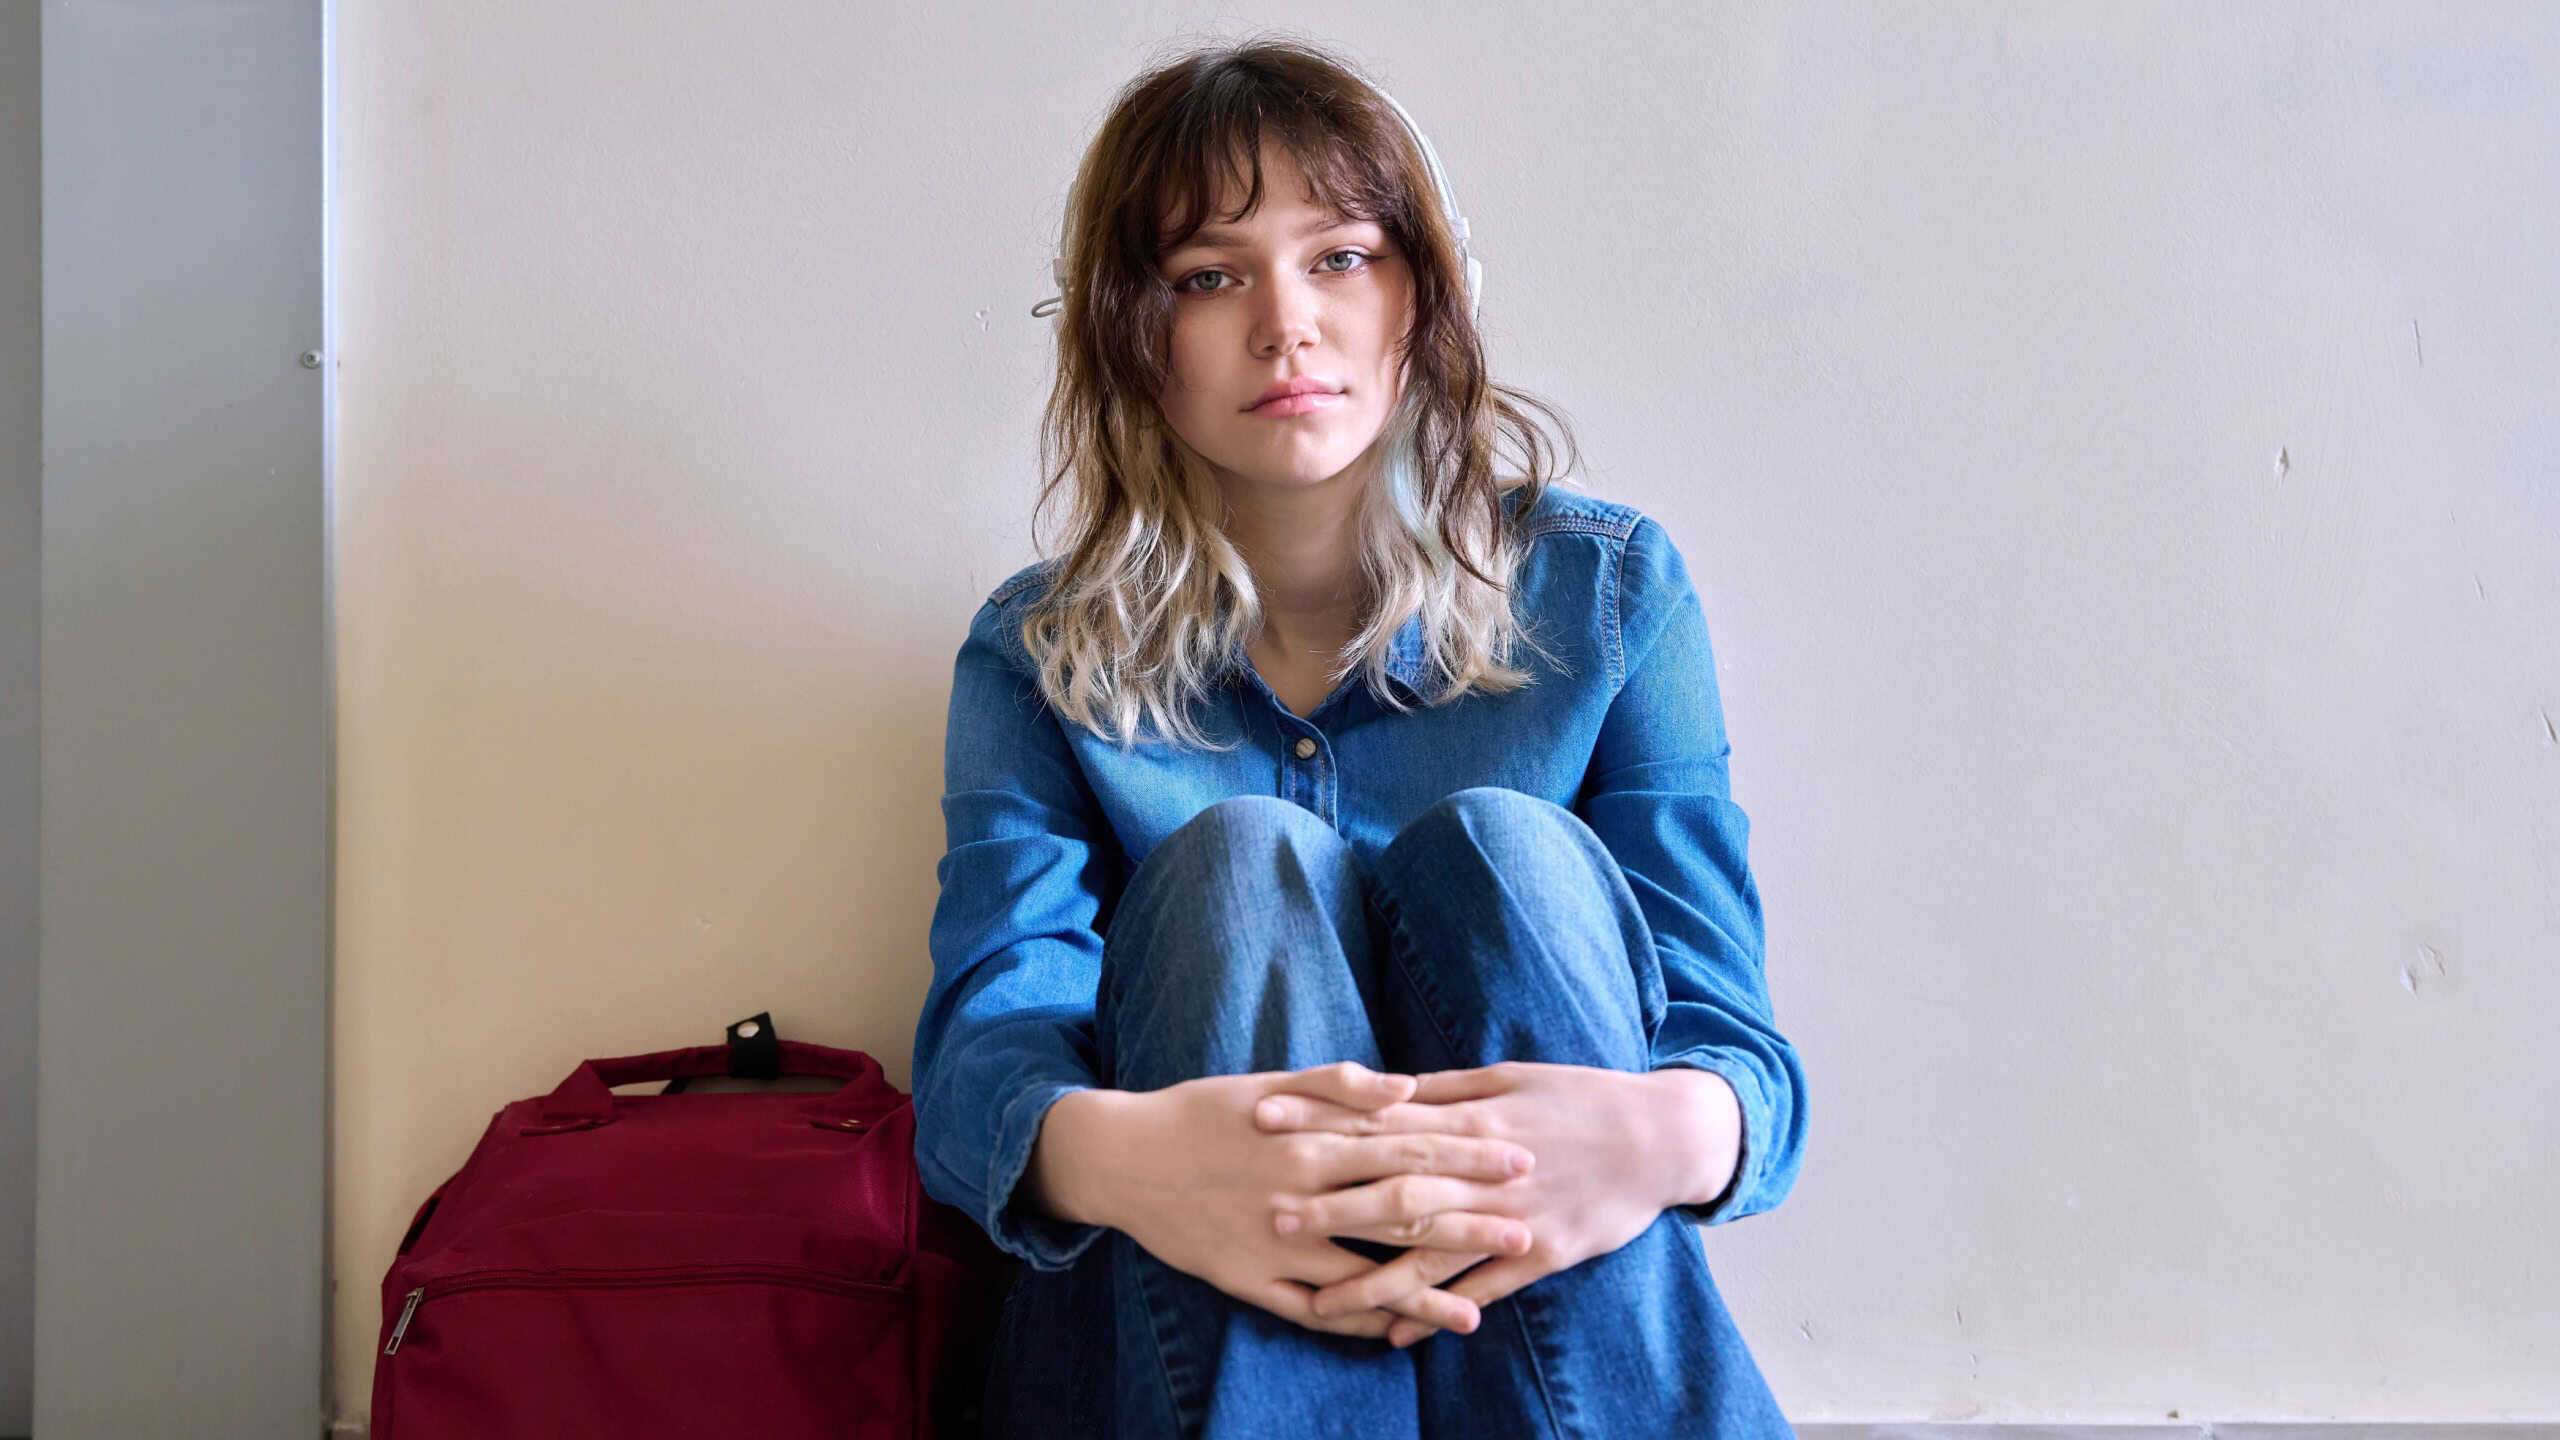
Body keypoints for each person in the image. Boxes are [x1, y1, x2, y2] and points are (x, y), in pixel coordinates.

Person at [911, 35, 1808, 1439]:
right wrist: (1147, 1161)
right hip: (1170, 1344)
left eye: (1340, 257)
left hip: (1550, 1335)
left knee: (1507, 852)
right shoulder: (1041, 652)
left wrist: (1646, 1138)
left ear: (1426, 291)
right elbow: (981, 1065)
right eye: (1208, 277)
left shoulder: (1612, 596)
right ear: (1132, 334)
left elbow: (1734, 1043)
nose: (1287, 326)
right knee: (1242, 867)